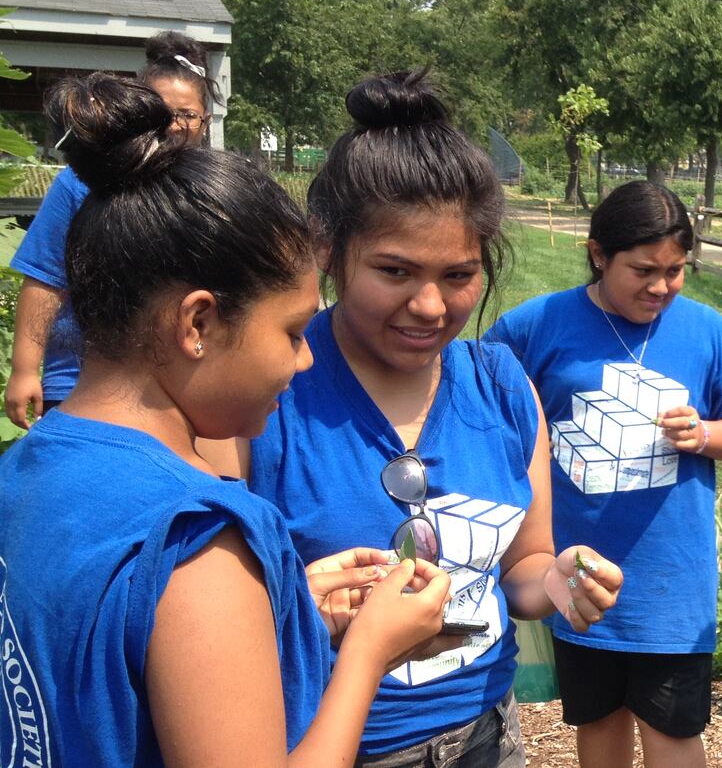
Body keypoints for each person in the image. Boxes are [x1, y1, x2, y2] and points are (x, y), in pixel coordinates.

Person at [0, 73, 452, 765]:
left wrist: (282, 614)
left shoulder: (28, 467)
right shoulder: (198, 543)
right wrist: (367, 652)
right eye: (293, 332)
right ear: (199, 324)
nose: (305, 360)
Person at [199, 71, 623, 766]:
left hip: (488, 736)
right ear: (327, 249)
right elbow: (212, 617)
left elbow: (524, 564)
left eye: (458, 276)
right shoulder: (266, 397)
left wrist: (557, 579)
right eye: (395, 272)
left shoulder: (505, 388)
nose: (430, 307)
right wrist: (308, 611)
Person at [486, 180, 722, 768]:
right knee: (597, 722)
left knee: (672, 731)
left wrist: (705, 435)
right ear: (598, 254)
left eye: (675, 271)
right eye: (643, 270)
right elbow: (487, 402)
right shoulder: (538, 324)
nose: (661, 287)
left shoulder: (705, 330)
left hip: (671, 588)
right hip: (579, 578)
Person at [6, 30, 219, 427]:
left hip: (172, 386)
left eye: (187, 115)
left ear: (204, 122)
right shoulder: (80, 183)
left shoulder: (206, 193)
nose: (173, 125)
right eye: (160, 112)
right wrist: (24, 369)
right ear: (136, 111)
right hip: (76, 382)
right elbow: (45, 277)